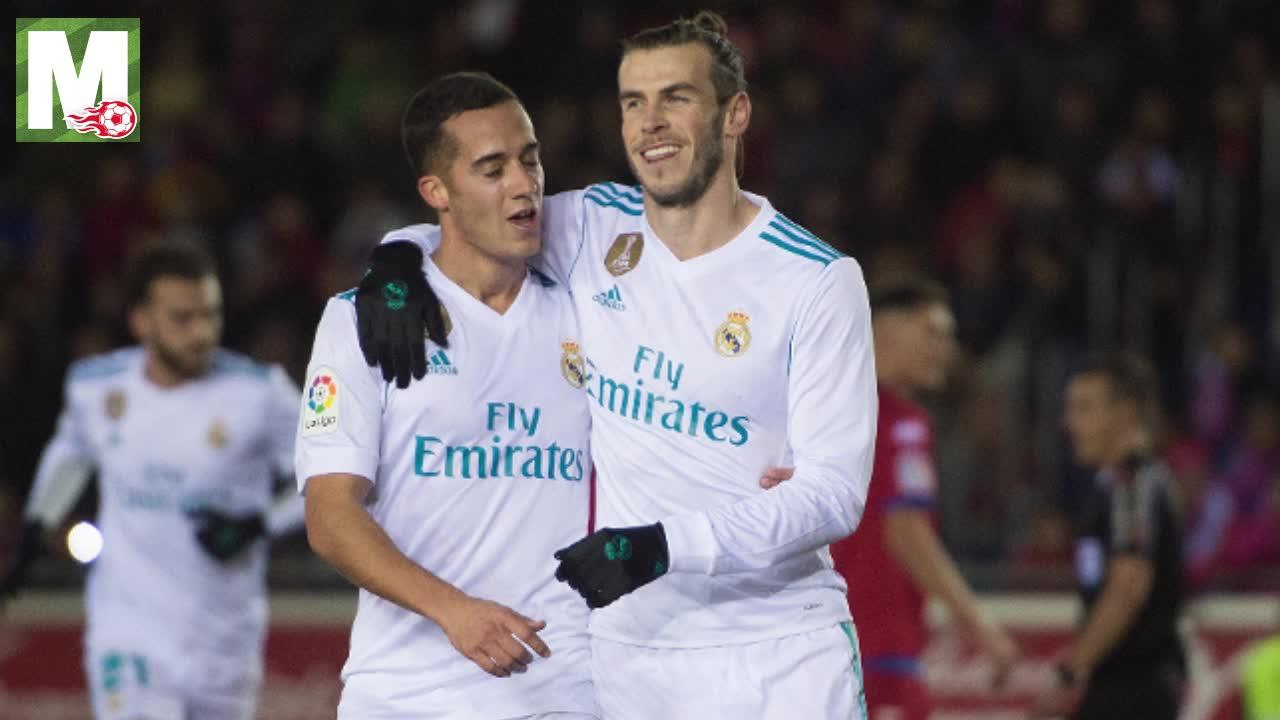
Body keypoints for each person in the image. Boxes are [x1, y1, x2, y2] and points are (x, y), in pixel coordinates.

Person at [358, 12, 877, 718]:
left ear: (735, 114)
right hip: (632, 658)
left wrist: (664, 545)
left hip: (776, 652)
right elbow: (474, 215)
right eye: (633, 102)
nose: (649, 122)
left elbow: (833, 495)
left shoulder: (815, 279)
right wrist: (396, 258)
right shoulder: (593, 227)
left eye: (676, 98)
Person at [296, 72, 598, 719]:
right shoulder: (364, 319)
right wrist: (453, 610)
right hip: (406, 693)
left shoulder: (589, 311)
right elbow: (331, 516)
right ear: (436, 192)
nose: (523, 184)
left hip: (562, 690)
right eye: (492, 169)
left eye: (529, 159)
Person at [0, 240, 305, 720]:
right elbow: (71, 452)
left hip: (225, 638)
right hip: (128, 630)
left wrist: (257, 525)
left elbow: (325, 481)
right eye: (182, 319)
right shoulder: (96, 387)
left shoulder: (262, 393)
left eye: (210, 315)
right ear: (141, 321)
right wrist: (37, 526)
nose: (201, 332)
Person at [816, 277, 1019, 719]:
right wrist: (981, 626)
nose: (945, 349)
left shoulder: (825, 408)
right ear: (884, 331)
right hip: (880, 640)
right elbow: (906, 533)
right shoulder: (901, 422)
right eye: (932, 333)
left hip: (827, 639)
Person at [1032, 353, 1185, 719]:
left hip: (1134, 688)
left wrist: (1072, 672)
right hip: (1120, 683)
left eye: (1084, 408)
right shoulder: (1114, 486)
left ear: (1126, 413)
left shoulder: (1133, 485)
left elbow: (1128, 587)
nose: (1068, 423)